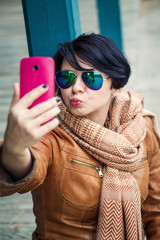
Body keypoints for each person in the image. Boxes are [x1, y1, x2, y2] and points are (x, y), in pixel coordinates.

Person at [0, 33, 160, 240]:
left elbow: (155, 211)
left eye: (90, 78)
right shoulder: (51, 133)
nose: (75, 88)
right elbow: (26, 170)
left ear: (116, 85)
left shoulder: (140, 129)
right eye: (66, 78)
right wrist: (15, 148)